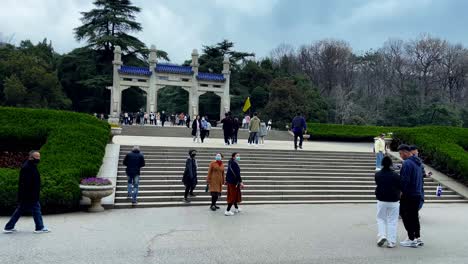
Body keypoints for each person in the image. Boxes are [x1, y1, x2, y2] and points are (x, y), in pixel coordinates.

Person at [3, 150, 50, 234]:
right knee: (36, 209)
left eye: (39, 157)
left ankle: (8, 227)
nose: (38, 159)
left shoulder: (31, 166)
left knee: (20, 210)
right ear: (31, 157)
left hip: (28, 195)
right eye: (37, 157)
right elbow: (26, 184)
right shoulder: (27, 167)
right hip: (30, 195)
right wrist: (31, 195)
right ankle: (39, 227)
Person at [397, 144, 424, 248]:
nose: (400, 156)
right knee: (414, 217)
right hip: (417, 193)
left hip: (408, 194)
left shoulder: (407, 163)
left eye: (400, 153)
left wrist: (401, 192)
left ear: (405, 152)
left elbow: (405, 180)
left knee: (405, 216)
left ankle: (411, 238)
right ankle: (417, 237)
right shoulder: (418, 163)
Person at [375, 156, 401, 248]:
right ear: (391, 164)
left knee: (381, 219)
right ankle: (391, 242)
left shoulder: (377, 174)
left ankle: (382, 236)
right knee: (392, 221)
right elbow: (400, 186)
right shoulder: (396, 175)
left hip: (381, 200)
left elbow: (378, 184)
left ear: (382, 164)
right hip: (394, 200)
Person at [409, 145, 432, 211]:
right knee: (417, 199)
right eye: (416, 150)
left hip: (419, 184)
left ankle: (413, 211)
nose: (418, 152)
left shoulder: (418, 162)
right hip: (414, 184)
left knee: (420, 199)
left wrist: (426, 174)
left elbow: (421, 173)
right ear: (412, 151)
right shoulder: (410, 162)